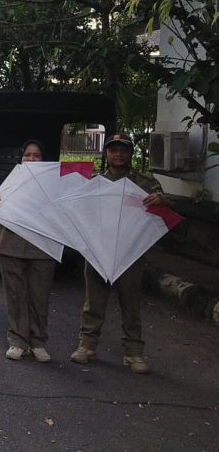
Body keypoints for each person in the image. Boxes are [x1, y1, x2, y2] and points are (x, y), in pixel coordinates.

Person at [69, 133, 168, 374]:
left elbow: (162, 211)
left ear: (130, 153)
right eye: (113, 149)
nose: (118, 154)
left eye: (123, 149)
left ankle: (133, 353)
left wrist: (162, 200)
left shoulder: (144, 183)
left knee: (130, 303)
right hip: (98, 249)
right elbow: (79, 211)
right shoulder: (95, 182)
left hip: (130, 252)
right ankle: (87, 346)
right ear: (106, 153)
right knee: (94, 301)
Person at [0, 140, 56, 363]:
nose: (31, 159)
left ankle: (38, 342)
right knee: (15, 295)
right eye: (27, 155)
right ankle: (18, 341)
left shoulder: (53, 181)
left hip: (42, 246)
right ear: (21, 157)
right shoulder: (9, 178)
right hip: (10, 243)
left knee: (39, 295)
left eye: (36, 155)